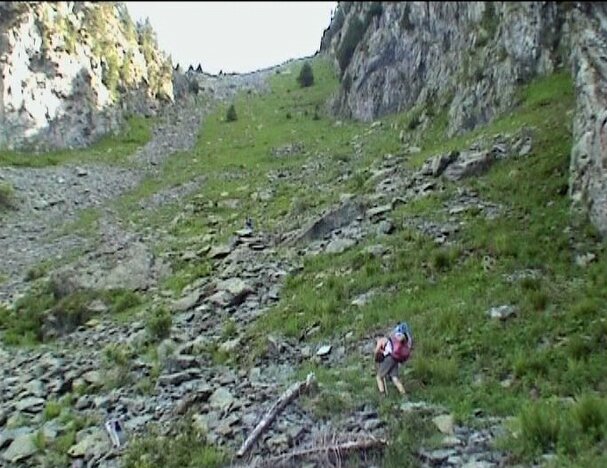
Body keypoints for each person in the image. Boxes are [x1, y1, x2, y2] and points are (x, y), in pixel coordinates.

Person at [374, 322, 413, 396]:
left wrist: (377, 355)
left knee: (379, 377)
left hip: (388, 358)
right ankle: (404, 394)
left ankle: (382, 395)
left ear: (377, 337)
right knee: (395, 378)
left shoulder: (381, 340)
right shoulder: (389, 339)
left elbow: (376, 351)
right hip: (395, 359)